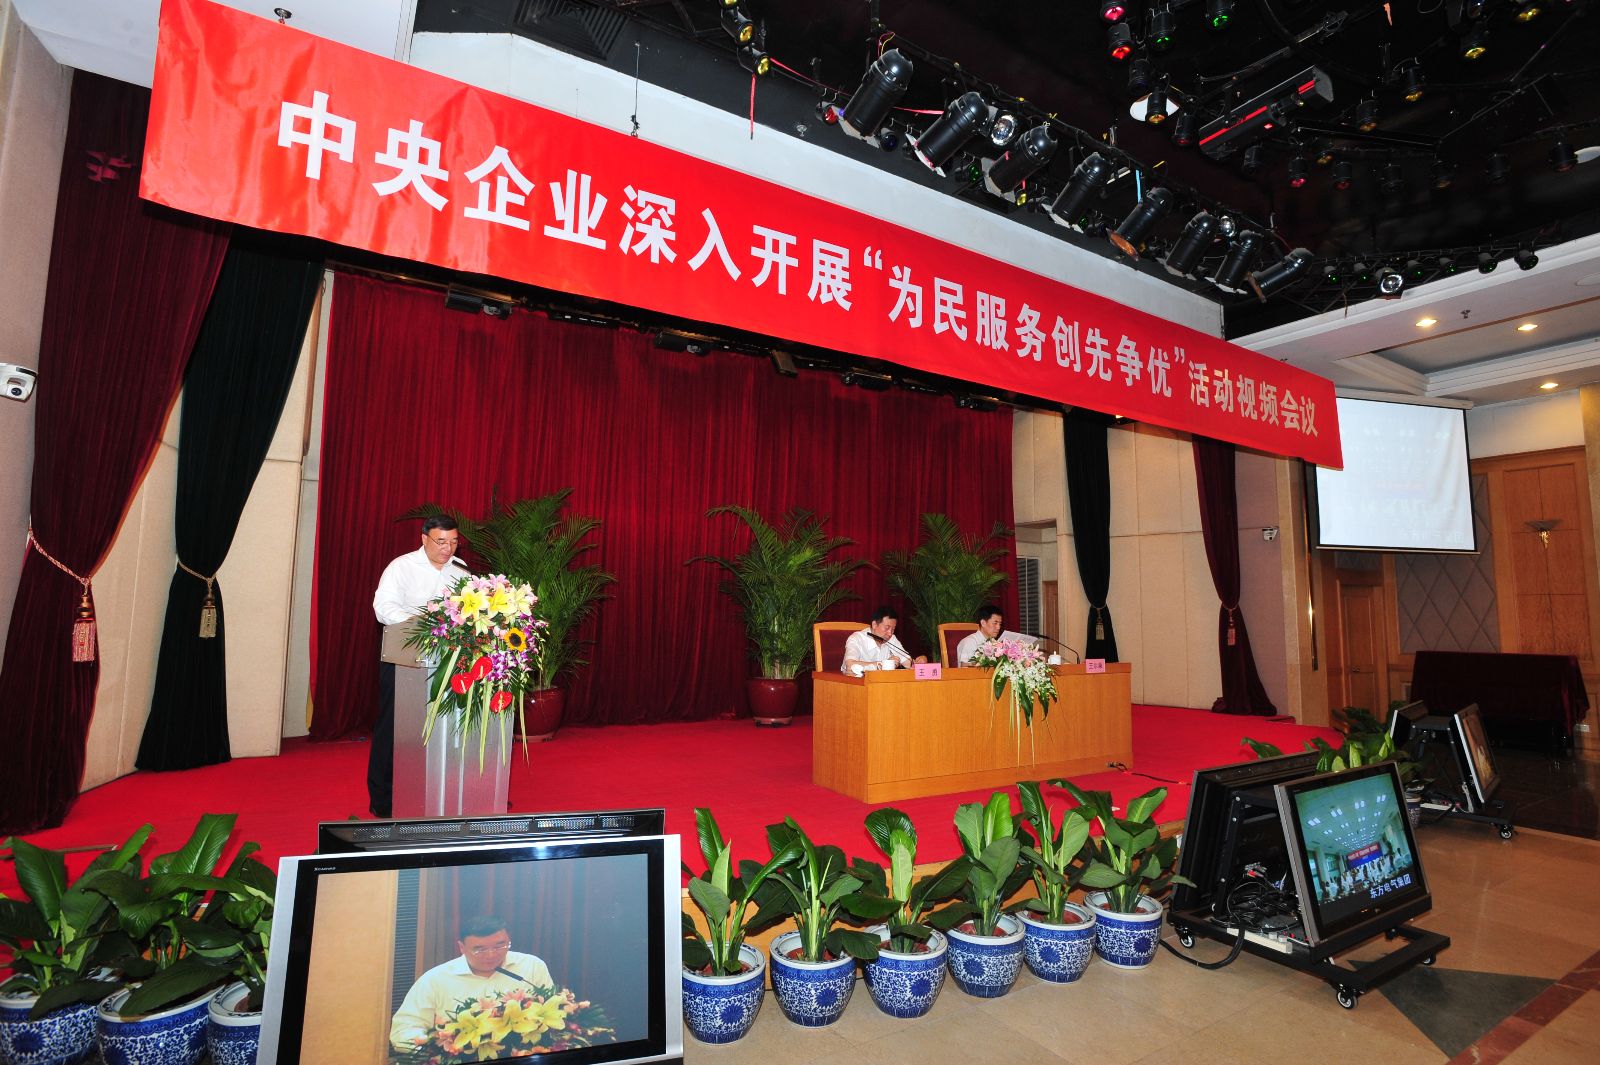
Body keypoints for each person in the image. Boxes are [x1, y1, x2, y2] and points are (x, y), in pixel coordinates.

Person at [369, 515, 471, 817]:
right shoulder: (401, 567)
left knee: (443, 727)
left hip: (448, 660)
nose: (447, 548)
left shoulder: (461, 570)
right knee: (395, 728)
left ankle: (441, 792)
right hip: (405, 658)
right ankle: (384, 799)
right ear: (424, 538)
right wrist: (425, 624)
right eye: (441, 542)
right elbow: (383, 608)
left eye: (453, 542)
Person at [389, 914, 553, 1050]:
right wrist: (438, 1052)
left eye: (500, 946)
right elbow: (404, 1030)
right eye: (480, 949)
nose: (491, 955)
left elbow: (552, 1014)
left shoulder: (531, 966)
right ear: (462, 947)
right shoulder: (435, 979)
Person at [840, 605, 926, 673]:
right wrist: (883, 664)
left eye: (893, 629)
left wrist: (919, 662)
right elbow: (850, 666)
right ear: (874, 625)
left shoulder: (892, 639)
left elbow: (907, 663)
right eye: (887, 628)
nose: (890, 633)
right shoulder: (856, 639)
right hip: (856, 684)